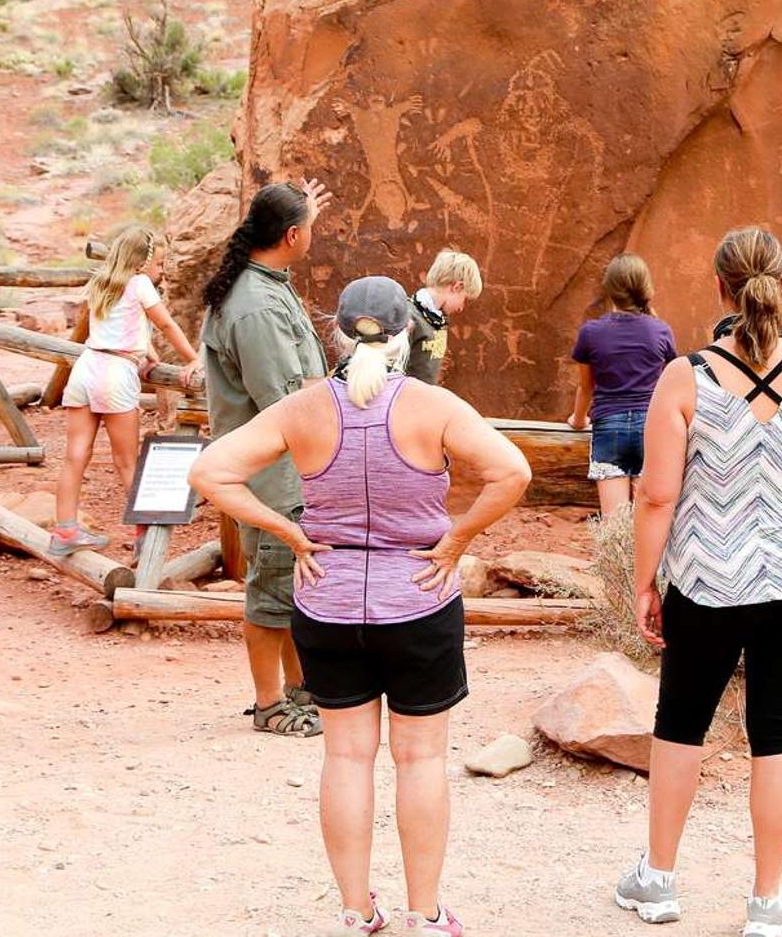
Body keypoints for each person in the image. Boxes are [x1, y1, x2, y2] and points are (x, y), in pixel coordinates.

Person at [190, 276, 530, 937]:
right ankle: (426, 913)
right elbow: (512, 470)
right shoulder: (432, 405)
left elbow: (210, 470)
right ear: (408, 333)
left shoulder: (305, 408)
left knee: (346, 757)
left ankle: (356, 911)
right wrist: (456, 539)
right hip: (419, 599)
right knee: (422, 758)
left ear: (337, 332)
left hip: (329, 598)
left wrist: (288, 530)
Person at [612, 227, 782, 937]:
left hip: (712, 577)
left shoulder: (687, 377)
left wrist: (645, 582)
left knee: (681, 722)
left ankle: (658, 879)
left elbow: (656, 494)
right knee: (779, 731)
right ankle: (767, 901)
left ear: (719, 288)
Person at [200, 179, 333, 738]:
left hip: (286, 470)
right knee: (273, 585)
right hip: (273, 476)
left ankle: (301, 691)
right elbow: (286, 399)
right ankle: (269, 703)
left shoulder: (267, 285)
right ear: (292, 235)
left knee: (294, 585)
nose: (313, 237)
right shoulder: (255, 306)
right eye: (310, 228)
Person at [50, 225, 203, 556]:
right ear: (141, 262)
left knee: (75, 455)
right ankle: (143, 536)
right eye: (160, 264)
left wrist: (147, 354)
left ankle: (64, 531)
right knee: (126, 462)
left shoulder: (103, 281)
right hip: (115, 376)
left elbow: (118, 326)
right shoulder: (140, 284)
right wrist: (194, 359)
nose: (162, 271)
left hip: (86, 368)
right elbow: (165, 324)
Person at [568, 253, 679, 518]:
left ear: (609, 288)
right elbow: (671, 381)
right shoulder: (660, 330)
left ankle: (615, 561)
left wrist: (579, 419)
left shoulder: (590, 332)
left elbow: (586, 387)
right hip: (650, 429)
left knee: (614, 524)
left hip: (609, 430)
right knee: (648, 519)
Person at [405, 248, 483, 386]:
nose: (461, 308)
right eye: (464, 299)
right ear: (457, 287)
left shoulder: (438, 320)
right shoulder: (407, 316)